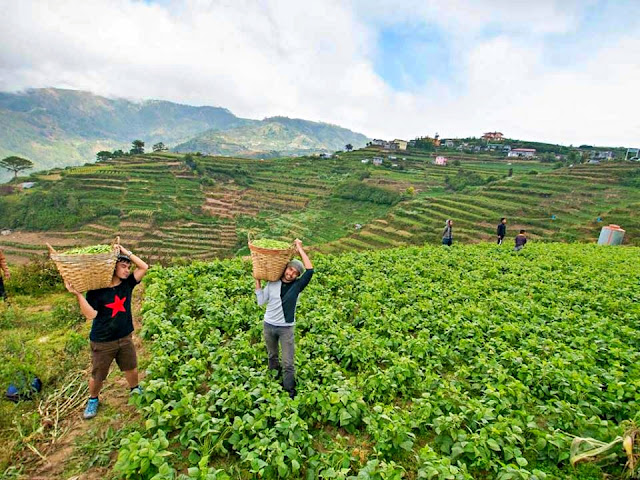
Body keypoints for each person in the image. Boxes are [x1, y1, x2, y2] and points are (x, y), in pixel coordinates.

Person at [66, 246, 149, 419]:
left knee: (131, 367)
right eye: (123, 266)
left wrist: (125, 252)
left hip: (125, 336)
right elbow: (91, 315)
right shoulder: (97, 291)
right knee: (98, 374)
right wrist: (78, 295)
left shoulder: (127, 284)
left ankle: (135, 389)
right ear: (113, 267)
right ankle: (93, 399)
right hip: (103, 341)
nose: (127, 270)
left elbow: (144, 267)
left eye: (128, 267)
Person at [255, 239, 313, 399]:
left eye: (295, 273)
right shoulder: (272, 282)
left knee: (288, 363)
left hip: (286, 328)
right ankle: (273, 382)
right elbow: (261, 302)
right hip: (268, 326)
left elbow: (310, 271)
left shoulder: (297, 286)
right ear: (285, 269)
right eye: (290, 270)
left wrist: (300, 248)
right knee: (272, 356)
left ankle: (289, 392)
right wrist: (258, 280)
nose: (291, 274)